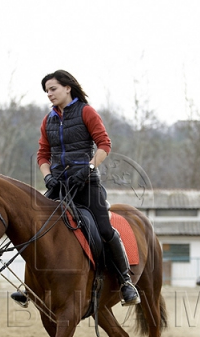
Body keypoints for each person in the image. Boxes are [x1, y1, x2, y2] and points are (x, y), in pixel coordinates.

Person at [37, 69, 139, 306]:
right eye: (46, 91)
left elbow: (104, 144)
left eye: (53, 89)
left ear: (67, 88)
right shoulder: (48, 120)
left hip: (86, 183)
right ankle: (31, 284)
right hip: (59, 184)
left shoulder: (86, 112)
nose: (49, 94)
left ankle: (125, 282)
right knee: (37, 227)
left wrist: (89, 167)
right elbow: (42, 155)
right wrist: (48, 177)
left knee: (104, 229)